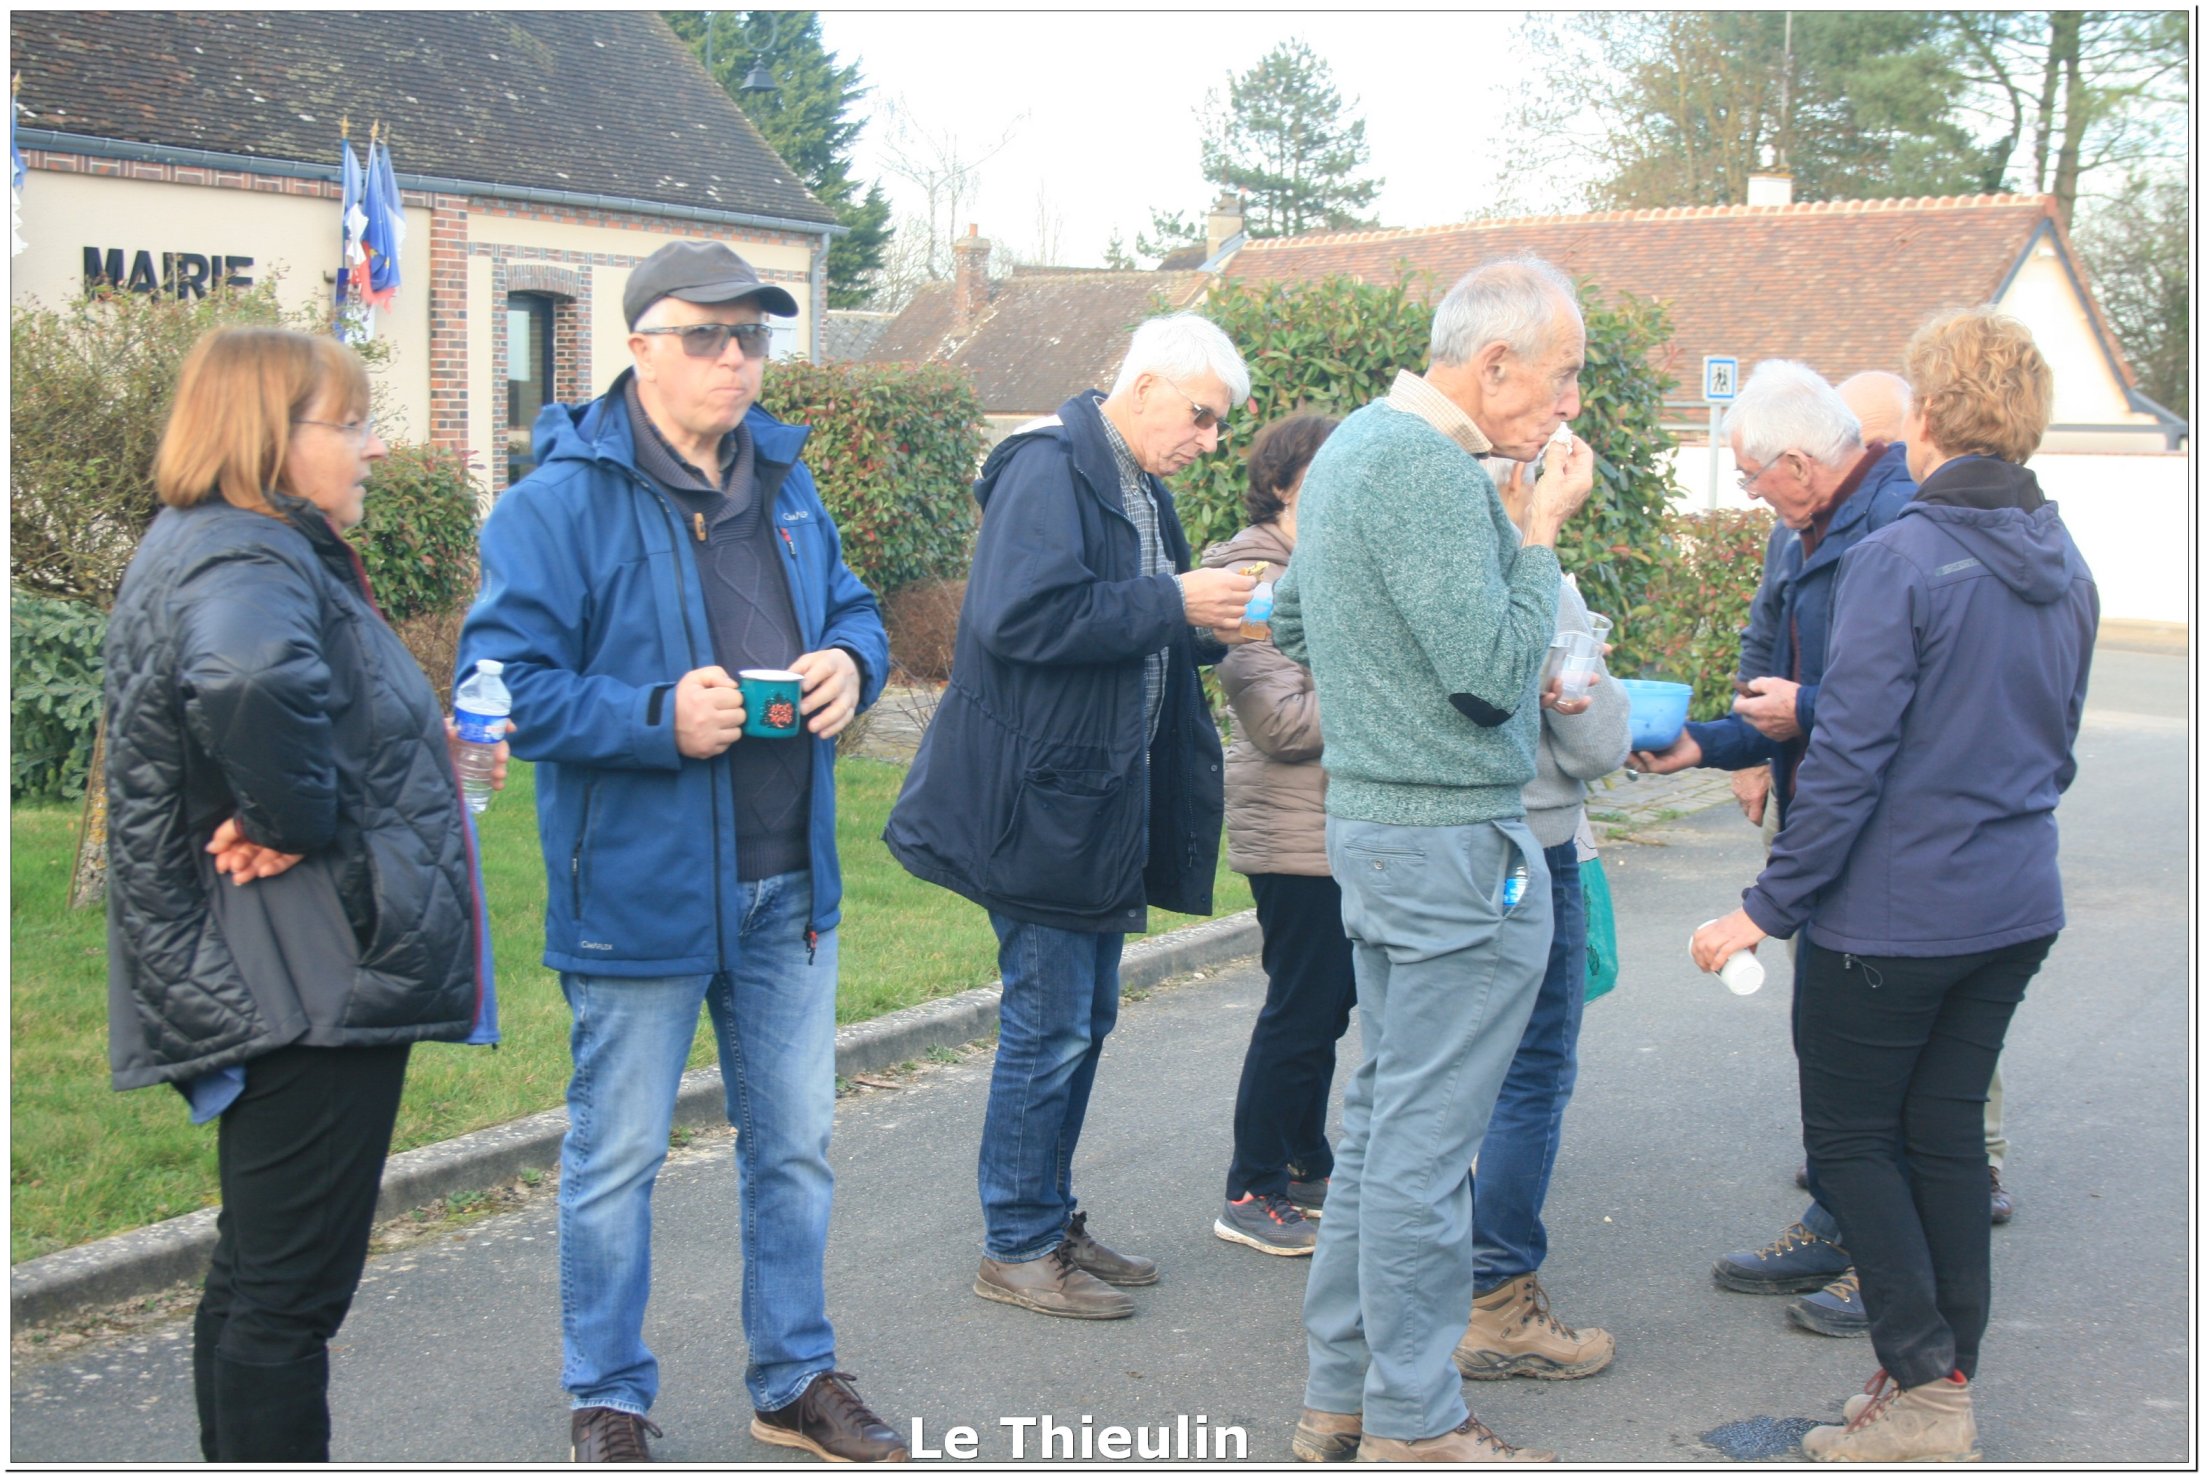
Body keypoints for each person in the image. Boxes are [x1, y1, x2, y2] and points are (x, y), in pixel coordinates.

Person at [460, 240, 902, 1463]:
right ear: (638, 346)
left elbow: (856, 609)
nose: (734, 358)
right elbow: (497, 690)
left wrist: (851, 663)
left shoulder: (787, 483)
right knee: (617, 1158)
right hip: (636, 891)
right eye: (705, 335)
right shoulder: (555, 504)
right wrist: (657, 718)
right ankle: (607, 1395)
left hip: (788, 886)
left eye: (751, 336)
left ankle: (794, 1376)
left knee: (795, 1149)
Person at [1692, 308, 2094, 1461]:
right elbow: (2053, 741)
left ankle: (1924, 1389)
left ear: (1924, 416)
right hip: (2014, 903)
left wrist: (1761, 910)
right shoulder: (2063, 560)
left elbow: (1849, 763)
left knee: (1853, 1142)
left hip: (1893, 919)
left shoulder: (1900, 559)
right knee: (1945, 1137)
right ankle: (1938, 1380)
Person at [103, 326, 501, 1462]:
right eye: (353, 424)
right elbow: (247, 672)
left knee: (255, 1278)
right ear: (268, 437)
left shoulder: (215, 541)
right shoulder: (248, 554)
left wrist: (396, 760)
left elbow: (290, 695)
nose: (374, 448)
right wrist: (292, 817)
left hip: (278, 958)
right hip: (311, 969)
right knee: (286, 1299)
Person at [1272, 257, 1596, 1465]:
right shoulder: (1424, 467)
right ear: (1494, 363)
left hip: (1377, 829)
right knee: (1420, 1148)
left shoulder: (1357, 444)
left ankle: (1344, 1399)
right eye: (1562, 376)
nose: (1568, 404)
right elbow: (1492, 674)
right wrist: (1536, 533)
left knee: (1380, 1128)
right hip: (1450, 839)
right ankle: (1414, 1423)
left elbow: (1292, 619)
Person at [884, 313, 1255, 1321]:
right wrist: (1176, 601)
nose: (1210, 439)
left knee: (1081, 1021)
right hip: (1039, 807)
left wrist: (1220, 621)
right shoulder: (1048, 468)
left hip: (1092, 806)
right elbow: (1021, 617)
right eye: (1202, 416)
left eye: (1220, 424)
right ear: (1145, 385)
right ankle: (1015, 1243)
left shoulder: (1136, 480)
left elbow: (1133, 619)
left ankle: (1046, 1220)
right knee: (1048, 1027)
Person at [1629, 360, 1916, 1335]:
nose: (1748, 492)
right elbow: (1777, 687)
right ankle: (1836, 1224)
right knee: (1828, 1043)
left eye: (1752, 474)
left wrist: (1808, 710)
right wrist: (1707, 744)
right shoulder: (1803, 531)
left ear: (1797, 461)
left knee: (1881, 1065)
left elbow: (1904, 704)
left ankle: (1889, 1265)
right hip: (1825, 816)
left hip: (1888, 837)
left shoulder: (1898, 531)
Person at [1451, 459, 1633, 1382]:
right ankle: (1498, 1297)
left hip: (1427, 840)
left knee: (1438, 1068)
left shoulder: (1416, 563)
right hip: (1531, 839)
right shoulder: (1536, 575)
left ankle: (1423, 1283)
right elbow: (1597, 740)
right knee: (1530, 1071)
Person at [1201, 411, 1348, 1257]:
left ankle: (1303, 1161)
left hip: (1330, 823)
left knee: (1327, 1004)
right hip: (1293, 829)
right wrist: (1381, 689)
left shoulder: (1320, 564)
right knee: (1302, 1008)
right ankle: (1250, 1187)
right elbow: (1282, 723)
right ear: (1285, 484)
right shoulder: (1250, 575)